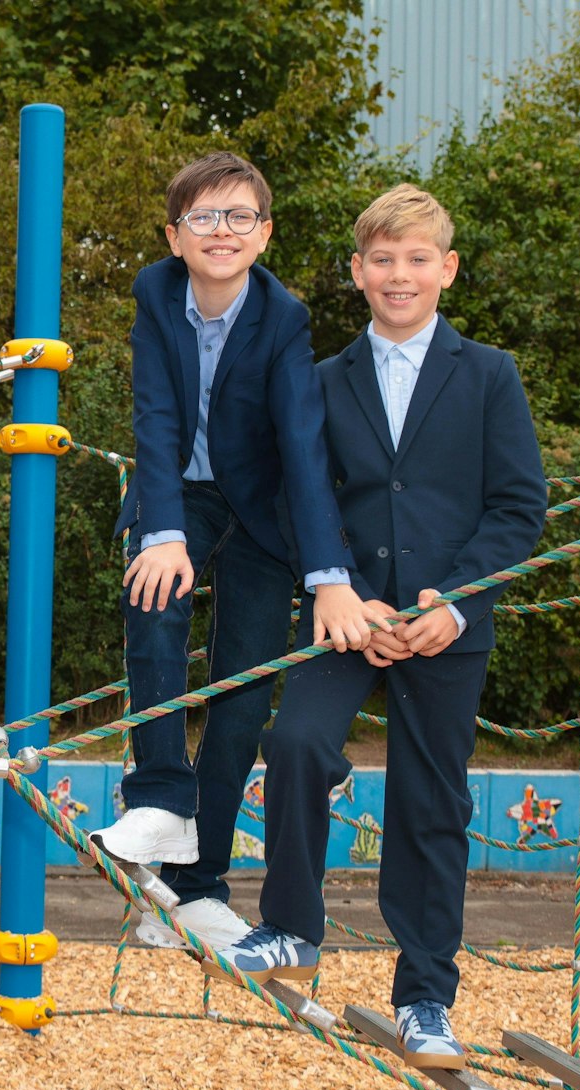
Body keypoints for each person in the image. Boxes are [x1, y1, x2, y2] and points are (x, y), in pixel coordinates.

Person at [216, 184, 547, 1070]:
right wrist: (346, 595)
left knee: (431, 800)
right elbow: (303, 496)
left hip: (446, 625)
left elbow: (519, 507)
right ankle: (291, 926)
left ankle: (426, 994)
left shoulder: (490, 375)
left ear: (446, 269)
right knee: (295, 744)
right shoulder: (321, 382)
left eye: (417, 259)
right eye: (382, 260)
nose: (400, 275)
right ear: (357, 273)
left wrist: (456, 599)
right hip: (346, 613)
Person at [89, 152, 369, 955]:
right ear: (174, 235)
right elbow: (154, 416)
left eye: (239, 215)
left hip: (267, 506)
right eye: (203, 217)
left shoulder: (284, 317)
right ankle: (159, 799)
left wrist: (328, 576)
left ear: (264, 232)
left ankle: (198, 882)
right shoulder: (154, 292)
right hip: (181, 487)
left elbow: (304, 444)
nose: (222, 230)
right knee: (151, 594)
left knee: (242, 688)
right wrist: (162, 528)